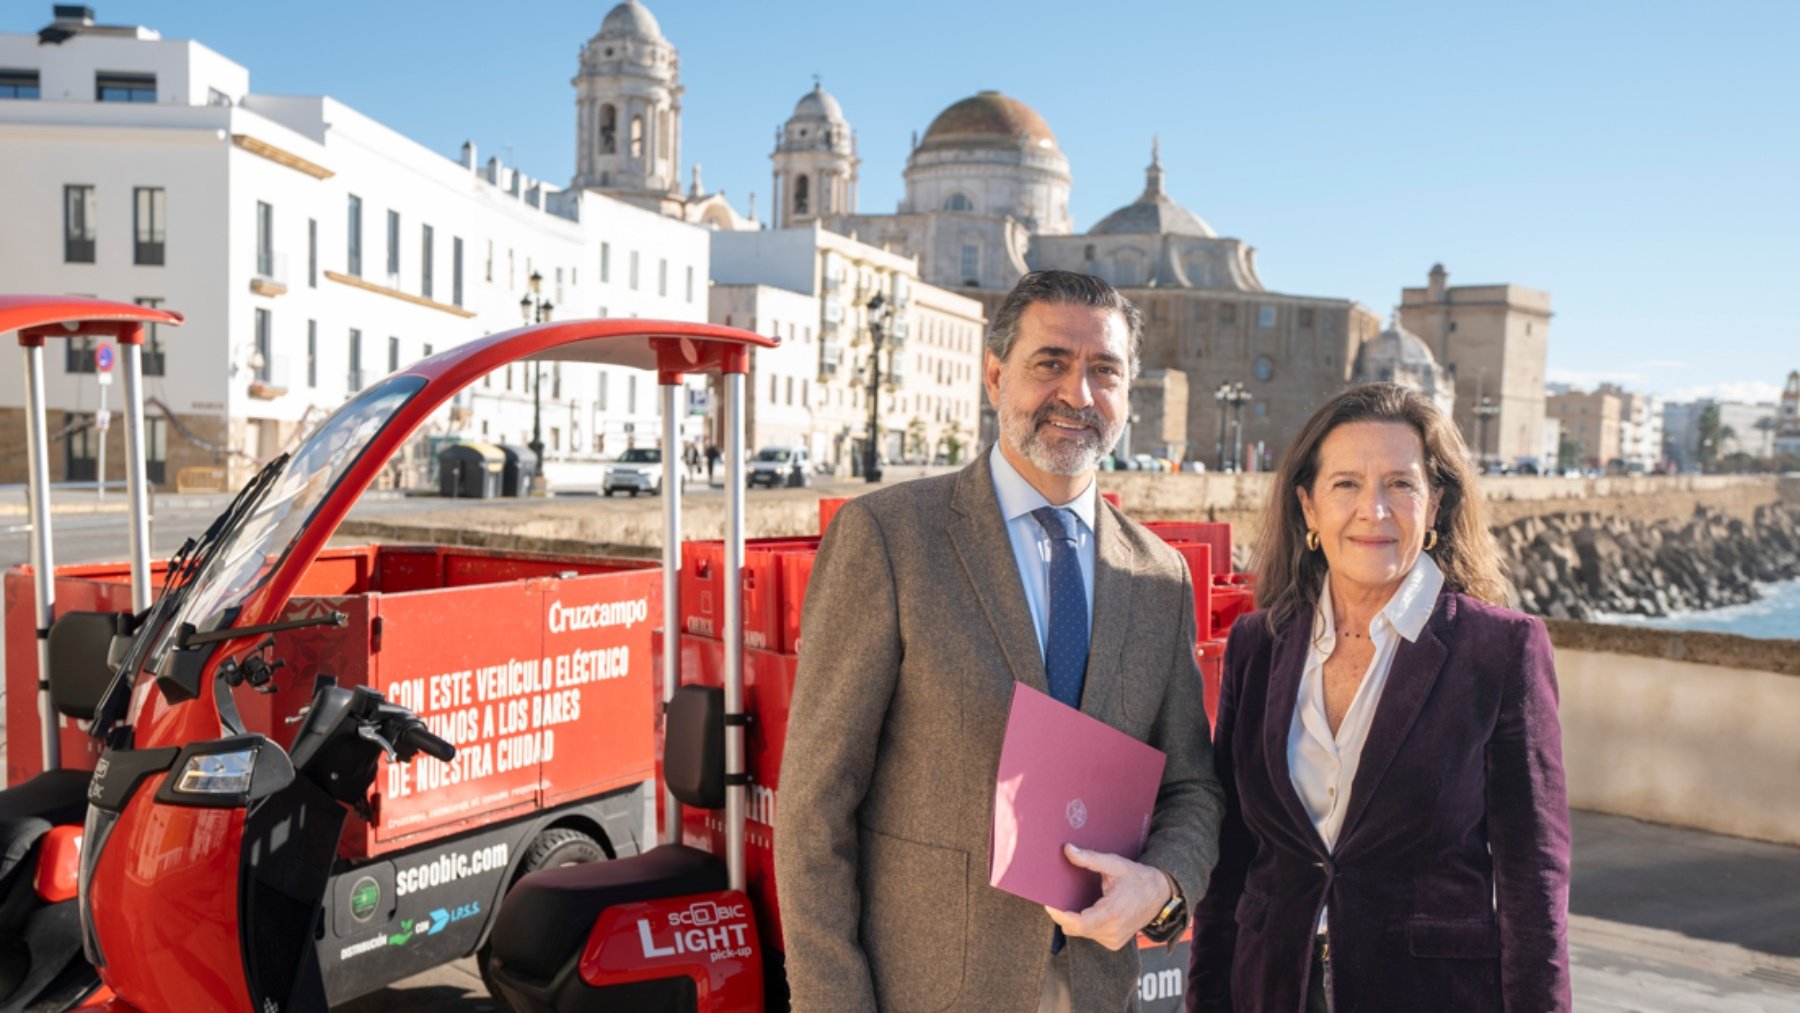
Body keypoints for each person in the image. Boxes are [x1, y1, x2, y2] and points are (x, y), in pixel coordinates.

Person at [776, 271, 1224, 1012]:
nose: (1078, 394)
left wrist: (1162, 884)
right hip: (924, 991)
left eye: (1104, 371)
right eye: (1050, 362)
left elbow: (1191, 788)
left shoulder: (1160, 576)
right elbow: (815, 809)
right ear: (995, 376)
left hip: (1093, 988)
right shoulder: (890, 540)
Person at [1188, 383, 1571, 1013]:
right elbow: (1230, 863)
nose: (1375, 509)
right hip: (1269, 988)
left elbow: (1536, 883)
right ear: (1307, 507)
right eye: (1345, 484)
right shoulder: (1258, 643)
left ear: (1436, 504)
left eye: (1400, 483)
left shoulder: (1501, 651)